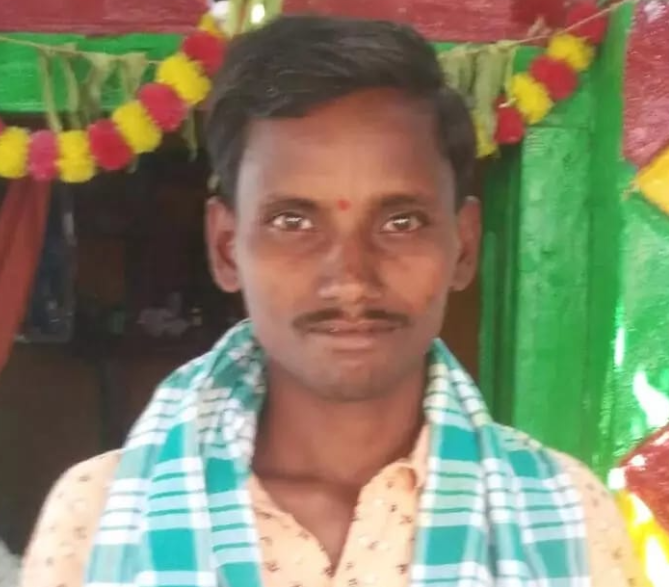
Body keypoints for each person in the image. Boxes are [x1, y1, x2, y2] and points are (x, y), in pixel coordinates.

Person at [22, 15, 646, 587]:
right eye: (293, 222)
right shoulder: (97, 516)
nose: (349, 278)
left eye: (401, 222)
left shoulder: (566, 514)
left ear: (463, 246)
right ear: (226, 248)